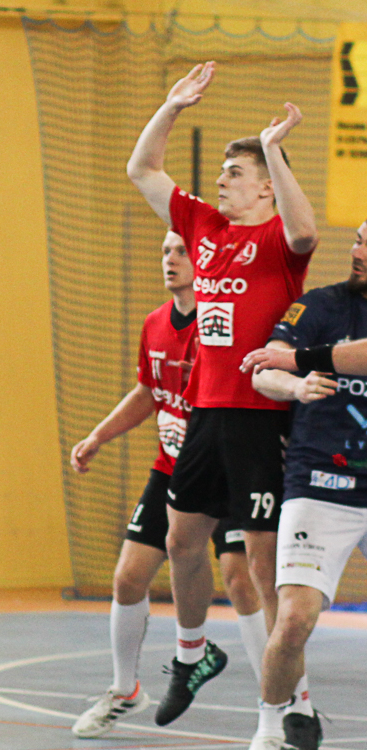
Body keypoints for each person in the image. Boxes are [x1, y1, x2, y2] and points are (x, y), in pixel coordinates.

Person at [125, 61, 318, 725]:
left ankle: (292, 703)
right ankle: (192, 653)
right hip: (206, 412)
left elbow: (305, 232)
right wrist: (172, 106)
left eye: (234, 173)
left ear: (266, 186)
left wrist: (272, 149)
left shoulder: (277, 240)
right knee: (182, 541)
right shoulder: (204, 227)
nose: (221, 182)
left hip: (260, 418)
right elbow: (142, 170)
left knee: (261, 569)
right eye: (221, 174)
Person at [71, 232, 266, 738]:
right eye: (164, 251)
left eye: (182, 251)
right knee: (128, 577)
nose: (170, 260)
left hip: (227, 463)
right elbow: (147, 390)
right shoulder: (155, 323)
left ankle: (276, 704)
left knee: (240, 579)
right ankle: (124, 690)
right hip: (173, 468)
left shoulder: (224, 325)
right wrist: (99, 435)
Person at [238, 224, 367, 750]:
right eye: (357, 239)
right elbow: (261, 370)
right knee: (293, 619)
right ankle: (272, 724)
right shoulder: (319, 306)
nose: (357, 251)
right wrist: (294, 384)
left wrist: (300, 361)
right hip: (320, 484)